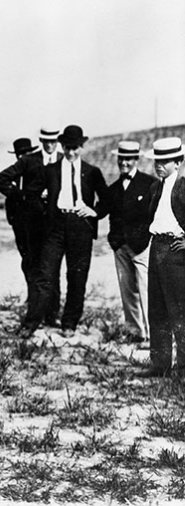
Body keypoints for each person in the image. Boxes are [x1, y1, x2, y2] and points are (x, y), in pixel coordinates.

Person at [19, 125, 109, 338]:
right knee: (45, 275)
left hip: (81, 226)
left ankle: (69, 323)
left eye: (75, 148)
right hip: (55, 227)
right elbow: (30, 194)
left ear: (82, 146)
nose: (70, 152)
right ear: (62, 146)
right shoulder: (50, 170)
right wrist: (45, 210)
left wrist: (93, 211)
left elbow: (107, 199)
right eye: (67, 147)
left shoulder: (92, 172)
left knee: (77, 277)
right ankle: (31, 323)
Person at [0, 128, 63, 327]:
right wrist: (23, 195)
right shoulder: (29, 161)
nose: (50, 144)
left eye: (53, 140)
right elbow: (1, 179)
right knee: (33, 265)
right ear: (41, 140)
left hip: (55, 223)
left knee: (53, 269)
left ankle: (52, 314)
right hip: (30, 223)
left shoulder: (63, 160)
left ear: (57, 141)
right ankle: (36, 311)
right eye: (46, 140)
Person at [141, 137, 185, 377]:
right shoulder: (154, 188)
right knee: (157, 309)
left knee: (179, 311)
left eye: (165, 161)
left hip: (176, 251)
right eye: (157, 160)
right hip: (156, 246)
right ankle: (160, 365)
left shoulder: (184, 187)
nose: (159, 165)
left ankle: (183, 369)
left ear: (177, 162)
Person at [104, 141, 156, 343]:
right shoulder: (113, 188)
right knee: (127, 290)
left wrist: (148, 238)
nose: (124, 162)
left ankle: (153, 335)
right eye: (121, 158)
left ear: (136, 160)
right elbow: (101, 211)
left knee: (146, 290)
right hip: (120, 247)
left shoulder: (149, 183)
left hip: (142, 246)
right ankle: (135, 332)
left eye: (129, 159)